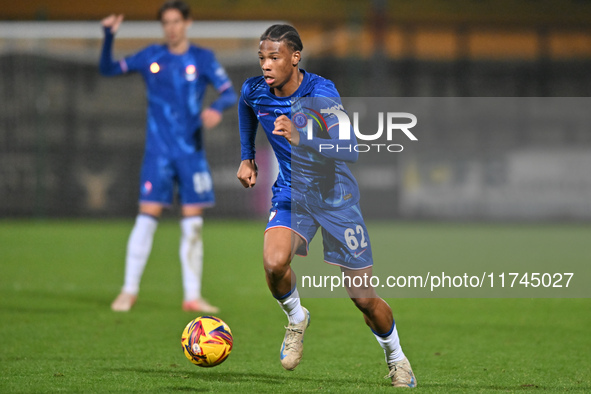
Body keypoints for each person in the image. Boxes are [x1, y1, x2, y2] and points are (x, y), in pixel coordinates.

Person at [236, 25, 416, 387]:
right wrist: (247, 157)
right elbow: (246, 108)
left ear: (295, 58)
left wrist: (303, 138)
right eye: (262, 58)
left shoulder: (321, 92)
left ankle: (397, 359)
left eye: (275, 57)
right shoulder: (255, 90)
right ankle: (296, 316)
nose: (266, 65)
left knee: (363, 298)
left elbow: (351, 148)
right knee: (273, 263)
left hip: (336, 198)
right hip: (293, 193)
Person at [99, 0, 237, 312]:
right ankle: (128, 290)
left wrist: (215, 108)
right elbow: (107, 69)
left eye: (176, 21)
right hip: (159, 153)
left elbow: (229, 92)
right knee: (146, 218)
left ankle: (192, 296)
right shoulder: (151, 56)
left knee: (193, 224)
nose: (171, 28)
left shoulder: (203, 58)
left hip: (191, 153)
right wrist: (109, 36)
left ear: (187, 22)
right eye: (166, 23)